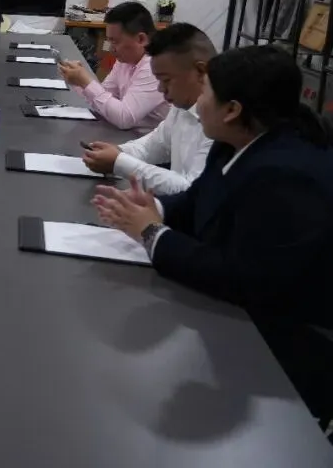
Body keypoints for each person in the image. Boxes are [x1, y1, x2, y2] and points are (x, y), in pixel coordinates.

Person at [92, 45, 333, 420]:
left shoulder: (286, 175)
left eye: (205, 93)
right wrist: (152, 209)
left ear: (232, 109)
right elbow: (197, 198)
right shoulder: (236, 143)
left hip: (285, 341)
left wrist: (152, 234)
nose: (197, 103)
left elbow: (243, 277)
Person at [82, 23, 215, 195]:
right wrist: (119, 151)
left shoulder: (219, 123)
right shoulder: (182, 107)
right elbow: (153, 146)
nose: (160, 89)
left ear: (200, 71)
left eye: (166, 80)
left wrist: (119, 162)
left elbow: (192, 190)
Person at [58, 1, 169, 131]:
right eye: (109, 40)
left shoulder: (154, 66)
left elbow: (124, 118)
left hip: (146, 139)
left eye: (115, 41)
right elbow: (104, 99)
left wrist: (86, 82)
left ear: (141, 39)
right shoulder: (126, 59)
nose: (111, 48)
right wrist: (79, 82)